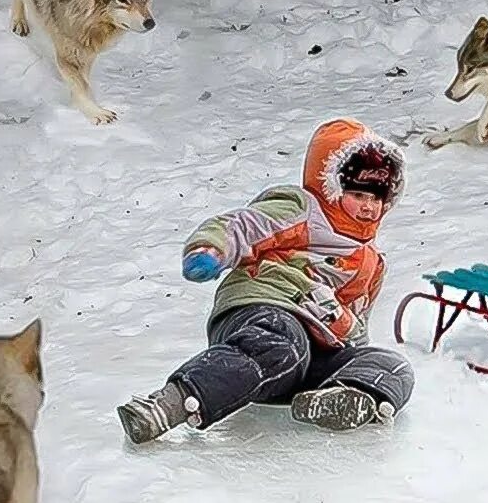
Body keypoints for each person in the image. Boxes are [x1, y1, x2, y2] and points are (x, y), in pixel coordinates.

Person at [117, 118, 416, 444]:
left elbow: (358, 321)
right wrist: (211, 250)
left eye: (377, 198)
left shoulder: (371, 262)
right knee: (281, 343)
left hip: (309, 355)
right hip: (264, 310)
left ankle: (344, 398)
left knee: (391, 364)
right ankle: (170, 403)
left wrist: (348, 338)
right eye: (358, 195)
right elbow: (243, 226)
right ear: (332, 186)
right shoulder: (305, 212)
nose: (369, 207)